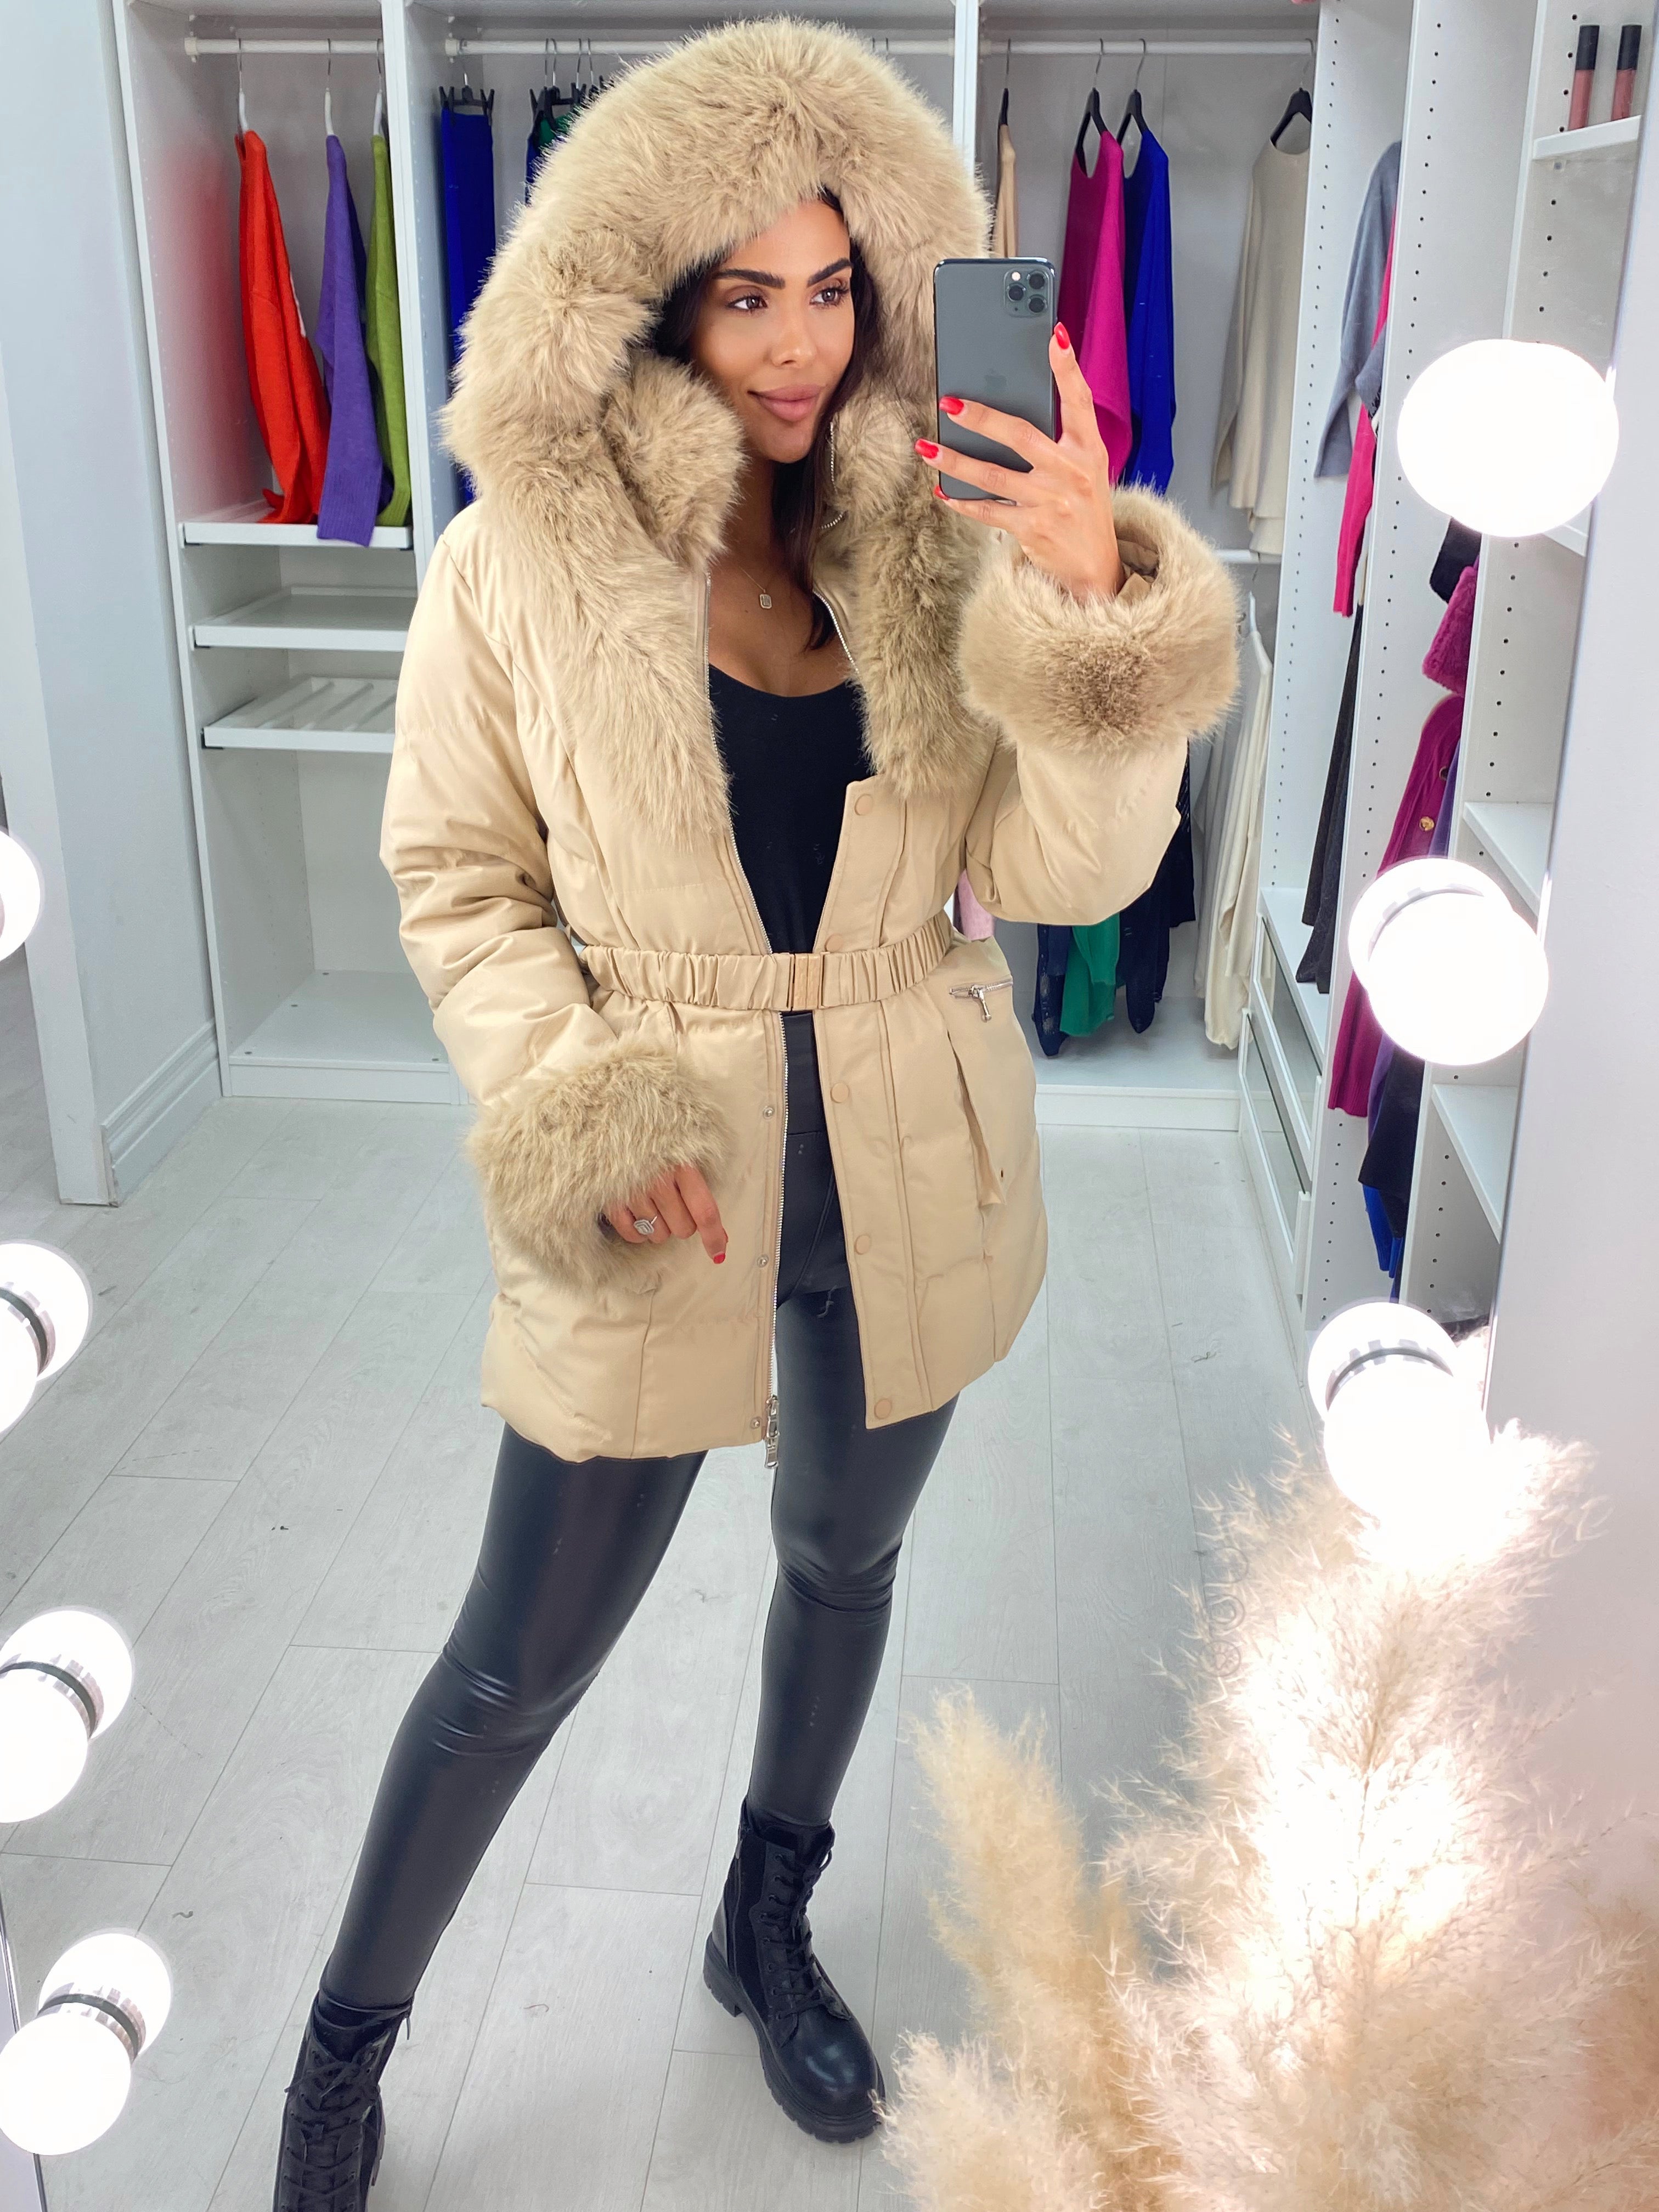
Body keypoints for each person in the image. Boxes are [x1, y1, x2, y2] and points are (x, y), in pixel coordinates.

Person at [272, 19, 1237, 2206]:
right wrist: (581, 1099)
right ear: (649, 294)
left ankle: (762, 1917)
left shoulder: (950, 539)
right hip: (664, 1162)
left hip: (911, 1144)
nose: (799, 345)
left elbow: (1072, 874)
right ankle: (345, 2046)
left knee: (841, 1556)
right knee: (515, 1660)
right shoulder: (519, 561)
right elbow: (460, 877)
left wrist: (1088, 592)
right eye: (744, 293)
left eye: (831, 287)